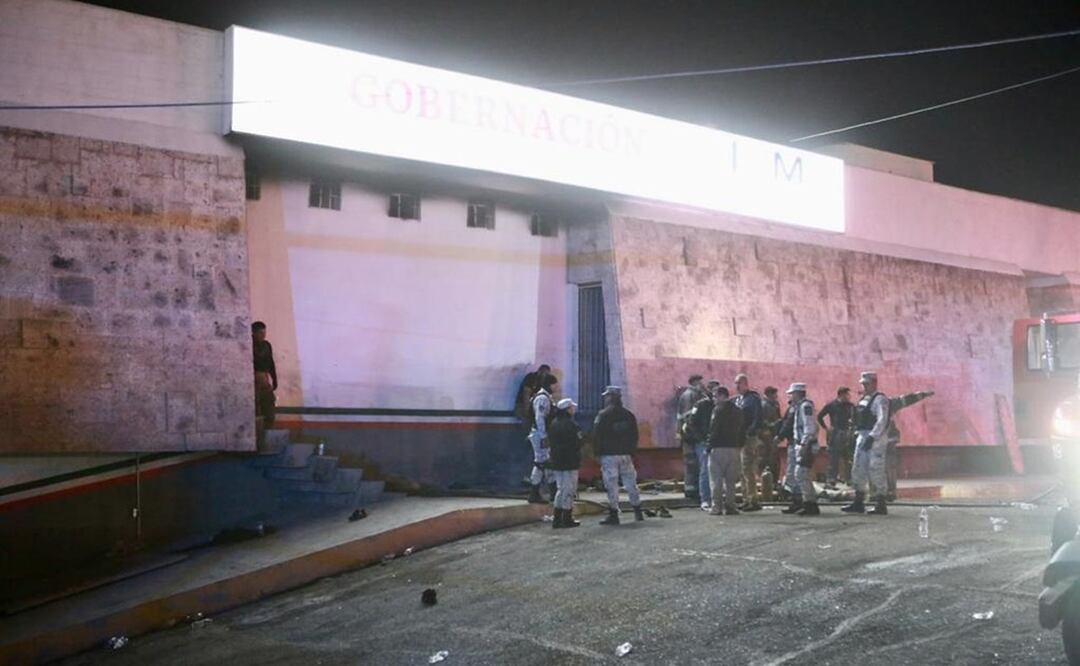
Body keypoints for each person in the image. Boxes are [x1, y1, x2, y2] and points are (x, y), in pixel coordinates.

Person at [593, 386, 644, 525]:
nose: (605, 398)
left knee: (611, 485)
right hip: (626, 454)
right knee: (631, 483)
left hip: (609, 455)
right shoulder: (628, 415)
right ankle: (637, 510)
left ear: (610, 397)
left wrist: (597, 453)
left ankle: (614, 514)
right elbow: (635, 435)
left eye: (607, 396)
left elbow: (596, 435)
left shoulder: (603, 415)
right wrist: (632, 451)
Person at [843, 372, 891, 516]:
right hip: (862, 435)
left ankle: (881, 503)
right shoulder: (864, 399)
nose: (864, 386)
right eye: (863, 384)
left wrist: (872, 436)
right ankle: (858, 502)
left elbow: (882, 420)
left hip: (875, 439)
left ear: (874, 383)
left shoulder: (880, 399)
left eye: (867, 384)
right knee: (858, 468)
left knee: (876, 469)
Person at [879, 390, 935, 501]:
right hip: (882, 439)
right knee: (886, 466)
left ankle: (887, 491)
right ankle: (886, 491)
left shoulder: (883, 403)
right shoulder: (886, 403)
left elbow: (907, 399)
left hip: (885, 439)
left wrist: (922, 394)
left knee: (887, 466)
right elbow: (906, 399)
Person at [707, 386, 744, 516]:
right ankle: (731, 506)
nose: (714, 399)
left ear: (722, 396)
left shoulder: (718, 410)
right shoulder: (738, 411)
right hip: (734, 448)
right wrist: (740, 445)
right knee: (731, 481)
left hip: (718, 448)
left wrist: (709, 446)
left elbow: (714, 429)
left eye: (715, 396)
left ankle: (716, 507)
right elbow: (742, 429)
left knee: (716, 480)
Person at [547, 398, 584, 529]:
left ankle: (557, 518)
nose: (573, 409)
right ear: (567, 409)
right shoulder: (571, 424)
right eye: (571, 407)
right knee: (569, 489)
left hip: (557, 461)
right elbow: (578, 442)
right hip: (570, 461)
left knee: (561, 489)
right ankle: (567, 518)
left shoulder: (553, 424)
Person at [685, 380, 721, 511]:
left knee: (716, 471)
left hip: (715, 442)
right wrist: (701, 439)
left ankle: (714, 498)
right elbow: (692, 423)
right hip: (704, 442)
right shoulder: (701, 405)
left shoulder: (719, 406)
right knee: (705, 470)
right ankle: (705, 499)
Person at [786, 383, 821, 516]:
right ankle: (807, 503)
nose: (791, 397)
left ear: (797, 394)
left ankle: (810, 504)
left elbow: (809, 427)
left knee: (801, 474)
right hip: (802, 444)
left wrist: (804, 444)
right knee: (800, 475)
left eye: (792, 394)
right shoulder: (799, 407)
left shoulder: (805, 407)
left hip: (806, 445)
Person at [733, 374, 764, 512]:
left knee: (748, 468)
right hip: (739, 438)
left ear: (745, 383)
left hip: (749, 438)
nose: (737, 386)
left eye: (739, 383)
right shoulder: (738, 399)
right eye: (735, 383)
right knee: (742, 470)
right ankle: (746, 499)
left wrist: (751, 431)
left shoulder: (753, 399)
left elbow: (758, 418)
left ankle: (753, 500)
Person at [527, 374, 559, 504]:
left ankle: (553, 491)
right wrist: (544, 436)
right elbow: (539, 418)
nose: (556, 387)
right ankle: (534, 492)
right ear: (549, 384)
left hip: (542, 434)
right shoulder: (542, 398)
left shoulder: (546, 397)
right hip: (540, 435)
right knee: (541, 462)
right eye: (554, 385)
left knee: (547, 462)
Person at [817, 387, 855, 489]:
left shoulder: (850, 406)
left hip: (847, 433)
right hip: (835, 433)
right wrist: (826, 428)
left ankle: (849, 479)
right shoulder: (831, 405)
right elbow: (820, 416)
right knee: (833, 458)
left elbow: (855, 418)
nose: (849, 397)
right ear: (841, 394)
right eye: (847, 394)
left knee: (848, 458)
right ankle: (831, 480)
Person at [677, 375, 707, 499]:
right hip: (691, 436)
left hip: (687, 435)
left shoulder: (688, 395)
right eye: (700, 382)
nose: (702, 384)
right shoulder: (691, 396)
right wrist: (697, 435)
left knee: (690, 463)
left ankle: (691, 489)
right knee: (693, 463)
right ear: (695, 382)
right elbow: (690, 417)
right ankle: (693, 490)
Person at [252, 321, 277, 429]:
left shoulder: (267, 345)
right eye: (260, 333)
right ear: (253, 333)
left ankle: (267, 431)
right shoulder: (248, 345)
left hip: (265, 380)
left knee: (269, 410)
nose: (263, 335)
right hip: (254, 381)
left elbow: (271, 362)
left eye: (264, 333)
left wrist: (274, 379)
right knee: (257, 410)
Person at [760, 386, 783, 481]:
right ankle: (766, 481)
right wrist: (773, 424)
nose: (776, 397)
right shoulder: (763, 405)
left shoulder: (775, 404)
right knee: (767, 459)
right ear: (769, 394)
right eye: (774, 395)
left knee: (774, 459)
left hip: (774, 435)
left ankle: (774, 480)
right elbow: (761, 421)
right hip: (766, 436)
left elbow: (778, 417)